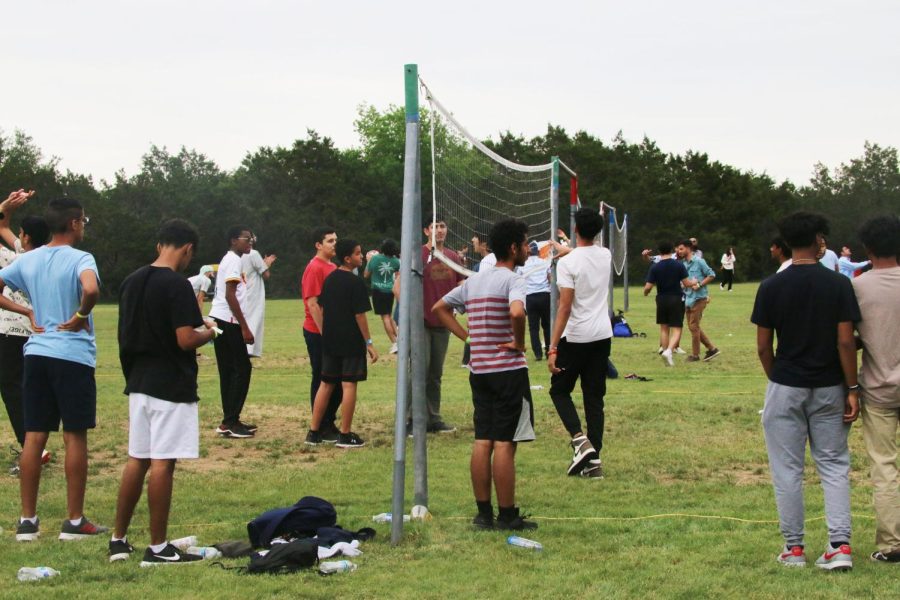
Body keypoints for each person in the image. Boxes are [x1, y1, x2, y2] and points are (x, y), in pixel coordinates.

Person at [751, 211, 860, 571]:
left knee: (787, 469)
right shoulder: (838, 284)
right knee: (833, 465)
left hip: (786, 385)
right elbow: (846, 342)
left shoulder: (770, 287)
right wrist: (853, 387)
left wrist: (777, 377)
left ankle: (793, 549)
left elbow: (764, 347)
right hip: (830, 385)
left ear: (785, 244)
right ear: (819, 241)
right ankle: (839, 545)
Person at [0, 197, 106, 542]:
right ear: (75, 223)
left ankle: (27, 522)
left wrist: (27, 313)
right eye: (84, 221)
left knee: (34, 435)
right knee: (75, 435)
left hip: (36, 353)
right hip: (71, 355)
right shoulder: (81, 258)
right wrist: (79, 317)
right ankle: (74, 522)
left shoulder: (28, 259)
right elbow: (90, 289)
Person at [110, 219, 216, 566]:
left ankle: (118, 539)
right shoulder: (177, 284)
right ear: (188, 250)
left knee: (137, 459)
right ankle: (158, 548)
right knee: (162, 464)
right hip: (169, 383)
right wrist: (210, 333)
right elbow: (185, 338)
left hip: (138, 381)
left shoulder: (130, 281)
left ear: (159, 245)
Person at [433, 218, 536, 530]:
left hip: (480, 371)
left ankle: (483, 514)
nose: (529, 248)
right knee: (505, 443)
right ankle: (506, 515)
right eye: (526, 243)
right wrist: (518, 342)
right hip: (508, 371)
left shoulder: (475, 281)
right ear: (513, 247)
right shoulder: (513, 279)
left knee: (483, 440)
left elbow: (440, 307)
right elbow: (517, 311)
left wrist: (468, 338)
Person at [547, 208, 612, 479]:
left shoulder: (567, 263)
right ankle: (593, 458)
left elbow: (565, 307)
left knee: (559, 391)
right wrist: (567, 249)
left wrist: (552, 347)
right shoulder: (605, 254)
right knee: (594, 397)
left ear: (575, 230)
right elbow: (586, 253)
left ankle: (579, 440)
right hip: (602, 335)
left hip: (575, 336)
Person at [851, 215, 900, 563]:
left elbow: (847, 339)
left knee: (884, 467)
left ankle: (892, 544)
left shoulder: (858, 287)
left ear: (867, 249)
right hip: (881, 389)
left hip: (879, 388)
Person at [305, 239, 377, 448]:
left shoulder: (330, 279)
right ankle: (345, 435)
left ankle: (313, 432)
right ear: (347, 258)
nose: (361, 257)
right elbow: (360, 316)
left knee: (326, 383)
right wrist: (369, 343)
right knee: (348, 384)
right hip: (350, 341)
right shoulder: (355, 283)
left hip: (330, 339)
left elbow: (323, 307)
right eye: (358, 254)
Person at [0, 190, 51, 474]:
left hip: (11, 331)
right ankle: (35, 444)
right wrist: (6, 209)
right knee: (29, 390)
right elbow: (3, 227)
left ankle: (32, 448)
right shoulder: (42, 256)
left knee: (11, 389)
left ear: (27, 237)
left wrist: (4, 207)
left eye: (21, 233)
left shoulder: (14, 259)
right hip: (36, 334)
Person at [415, 216, 462, 433]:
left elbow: (463, 286)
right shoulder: (419, 255)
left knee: (435, 373)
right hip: (420, 323)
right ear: (426, 230)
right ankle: (411, 420)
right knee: (418, 372)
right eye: (435, 226)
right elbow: (400, 286)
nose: (439, 230)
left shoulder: (453, 258)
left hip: (444, 323)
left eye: (442, 226)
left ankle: (433, 419)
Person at [209, 226, 256, 439]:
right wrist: (244, 326)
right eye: (247, 238)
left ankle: (229, 420)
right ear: (233, 240)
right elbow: (230, 295)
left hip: (220, 318)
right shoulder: (234, 261)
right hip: (228, 321)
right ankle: (231, 421)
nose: (250, 242)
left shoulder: (230, 259)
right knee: (242, 368)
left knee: (228, 370)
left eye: (252, 238)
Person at [301, 226, 342, 443]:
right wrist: (326, 333)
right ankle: (320, 425)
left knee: (335, 379)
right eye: (329, 241)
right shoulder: (314, 268)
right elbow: (313, 303)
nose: (334, 243)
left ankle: (328, 421)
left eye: (335, 240)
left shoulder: (332, 266)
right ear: (318, 245)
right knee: (322, 377)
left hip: (331, 332)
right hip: (317, 333)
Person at [643, 242, 691, 367]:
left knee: (664, 328)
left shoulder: (655, 267)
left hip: (661, 299)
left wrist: (646, 293)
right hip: (676, 298)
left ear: (659, 252)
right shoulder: (678, 265)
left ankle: (666, 353)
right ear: (672, 251)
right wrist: (694, 282)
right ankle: (669, 350)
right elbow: (686, 283)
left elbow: (648, 287)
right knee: (677, 328)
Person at [677, 239, 720, 362]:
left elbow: (711, 274)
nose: (678, 252)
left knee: (693, 326)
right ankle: (712, 349)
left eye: (681, 249)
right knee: (693, 327)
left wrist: (700, 284)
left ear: (689, 248)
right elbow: (685, 282)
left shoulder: (699, 261)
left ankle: (695, 355)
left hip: (699, 298)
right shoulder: (683, 264)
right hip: (688, 298)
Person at [241, 239, 277, 357]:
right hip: (254, 293)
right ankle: (249, 349)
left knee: (245, 319)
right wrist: (266, 264)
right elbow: (266, 274)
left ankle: (244, 348)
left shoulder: (238, 255)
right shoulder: (253, 253)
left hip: (243, 291)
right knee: (253, 318)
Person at [364, 238, 400, 354]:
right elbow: (398, 275)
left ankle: (394, 343)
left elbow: (366, 275)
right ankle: (400, 340)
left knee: (384, 317)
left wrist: (369, 261)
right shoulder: (396, 261)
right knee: (389, 316)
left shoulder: (375, 259)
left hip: (378, 291)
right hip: (390, 291)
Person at [521, 242, 551, 361]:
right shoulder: (545, 263)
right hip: (544, 295)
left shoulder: (523, 265)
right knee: (547, 325)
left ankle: (538, 353)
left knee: (533, 328)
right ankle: (549, 351)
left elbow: (520, 280)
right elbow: (550, 279)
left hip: (530, 297)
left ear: (528, 252)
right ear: (538, 252)